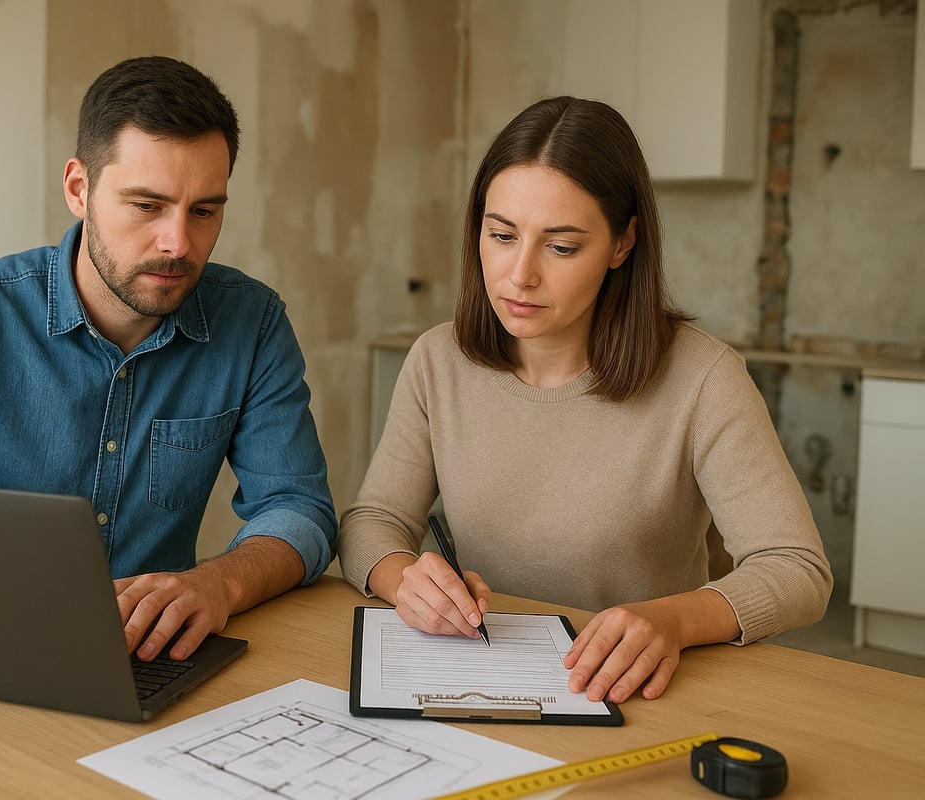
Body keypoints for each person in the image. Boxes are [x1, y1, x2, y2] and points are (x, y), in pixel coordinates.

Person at [0, 56, 336, 663]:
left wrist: (217, 582)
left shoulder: (253, 323)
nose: (178, 243)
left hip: (150, 658)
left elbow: (299, 509)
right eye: (146, 206)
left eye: (204, 210)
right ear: (79, 189)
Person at [338, 96, 832, 705]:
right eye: (501, 235)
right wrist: (402, 578)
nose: (520, 274)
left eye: (562, 247)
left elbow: (796, 568)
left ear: (622, 244)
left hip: (631, 695)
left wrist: (673, 621)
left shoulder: (704, 377)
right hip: (481, 680)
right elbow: (371, 522)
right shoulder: (438, 361)